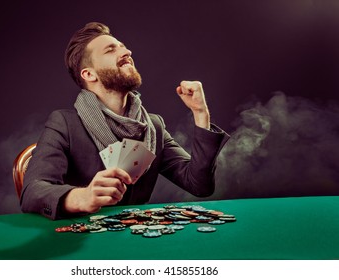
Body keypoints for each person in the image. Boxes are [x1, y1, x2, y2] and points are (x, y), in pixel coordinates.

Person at [21, 22, 229, 220]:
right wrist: (83, 197)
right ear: (88, 74)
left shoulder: (153, 126)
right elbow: (32, 191)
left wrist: (200, 113)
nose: (127, 52)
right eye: (110, 50)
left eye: (123, 47)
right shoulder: (64, 123)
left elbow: (199, 185)